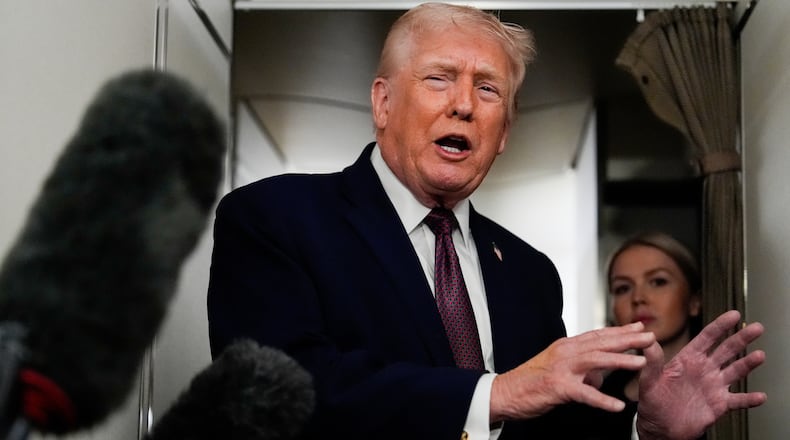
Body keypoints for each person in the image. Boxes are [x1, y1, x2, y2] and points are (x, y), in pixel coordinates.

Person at [206, 3, 766, 439]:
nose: (464, 105)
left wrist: (647, 429)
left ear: (504, 133)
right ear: (383, 103)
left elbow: (551, 428)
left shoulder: (529, 271)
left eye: (488, 88)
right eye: (439, 78)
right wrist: (495, 395)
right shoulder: (274, 218)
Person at [587, 232, 705, 439]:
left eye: (658, 281)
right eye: (623, 288)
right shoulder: (594, 400)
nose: (638, 298)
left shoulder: (723, 388)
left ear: (694, 301)